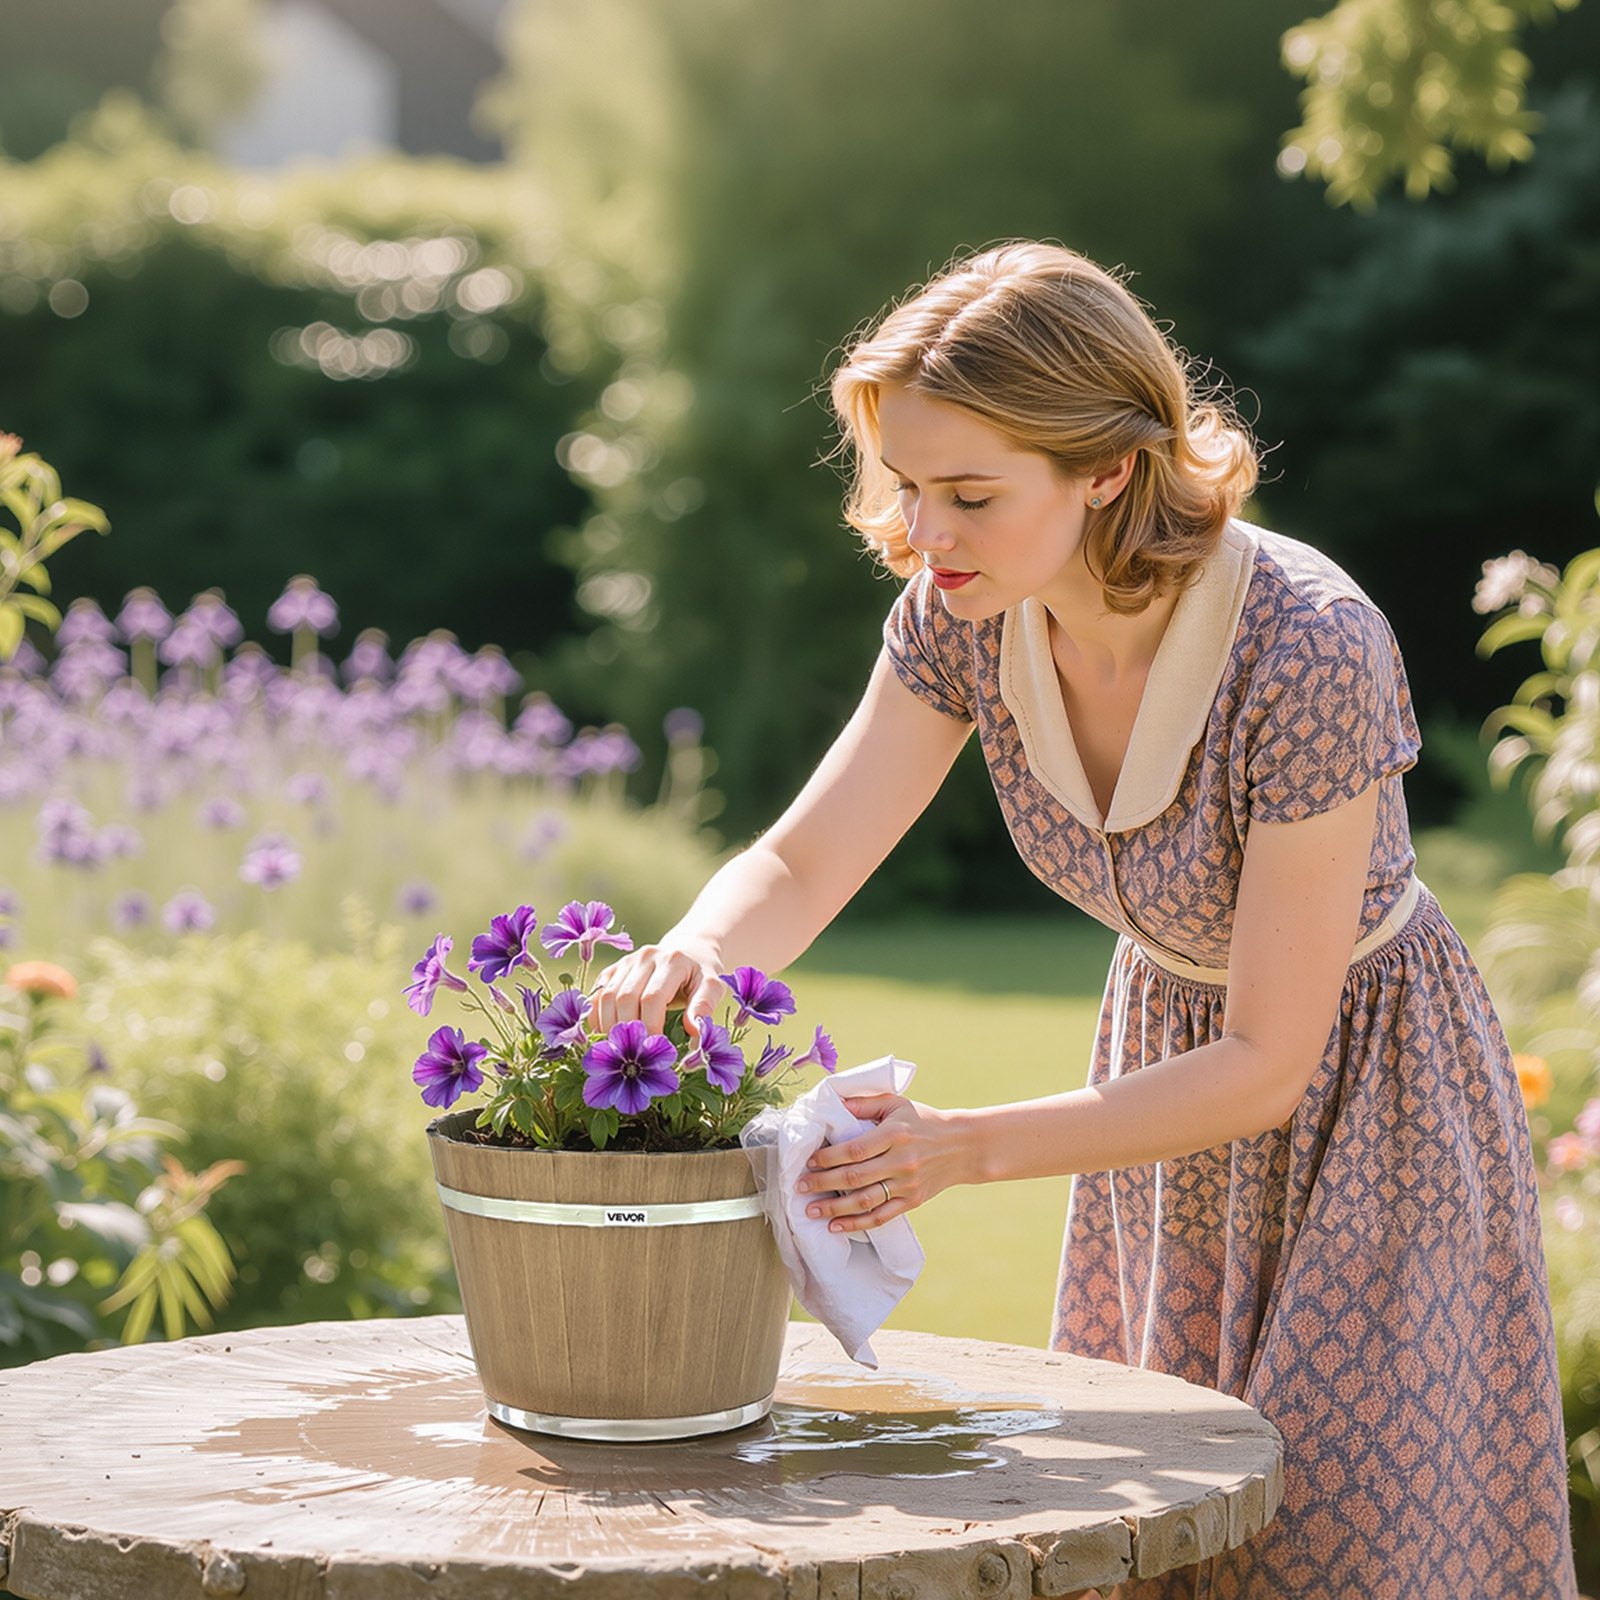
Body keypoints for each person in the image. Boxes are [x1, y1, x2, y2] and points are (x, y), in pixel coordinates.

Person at [588, 241, 1579, 1600]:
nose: (924, 535)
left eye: (971, 495)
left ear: (1108, 467)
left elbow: (1271, 1060)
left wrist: (960, 1152)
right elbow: (806, 862)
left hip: (1369, 1104)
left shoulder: (1307, 645)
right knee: (1161, 1542)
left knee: (1346, 1554)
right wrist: (699, 947)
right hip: (1154, 1105)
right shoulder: (959, 620)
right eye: (911, 489)